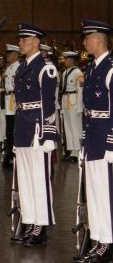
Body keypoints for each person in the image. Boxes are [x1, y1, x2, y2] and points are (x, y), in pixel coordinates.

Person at [10, 23, 58, 246]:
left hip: (38, 130)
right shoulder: (22, 67)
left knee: (39, 180)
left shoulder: (45, 68)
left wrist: (49, 134)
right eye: (20, 39)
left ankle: (41, 227)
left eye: (24, 39)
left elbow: (49, 104)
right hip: (23, 127)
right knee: (26, 180)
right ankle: (29, 221)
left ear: (36, 42)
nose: (20, 42)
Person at [75, 19, 113, 262]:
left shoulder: (110, 68)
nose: (84, 42)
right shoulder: (92, 68)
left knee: (106, 192)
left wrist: (111, 142)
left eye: (87, 38)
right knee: (95, 191)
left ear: (98, 39)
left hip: (106, 138)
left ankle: (108, 243)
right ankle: (99, 239)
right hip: (93, 137)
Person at [59, 51, 83, 163]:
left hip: (74, 100)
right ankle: (71, 151)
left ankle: (77, 152)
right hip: (65, 99)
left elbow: (81, 89)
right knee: (68, 127)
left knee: (75, 127)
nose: (64, 61)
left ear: (72, 60)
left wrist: (79, 106)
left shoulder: (78, 72)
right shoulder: (65, 72)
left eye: (66, 59)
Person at [2, 44, 21, 169]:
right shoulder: (9, 68)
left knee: (15, 129)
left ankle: (15, 155)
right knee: (9, 129)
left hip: (15, 100)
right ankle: (9, 154)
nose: (7, 56)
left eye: (9, 54)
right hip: (8, 99)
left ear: (15, 54)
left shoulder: (19, 67)